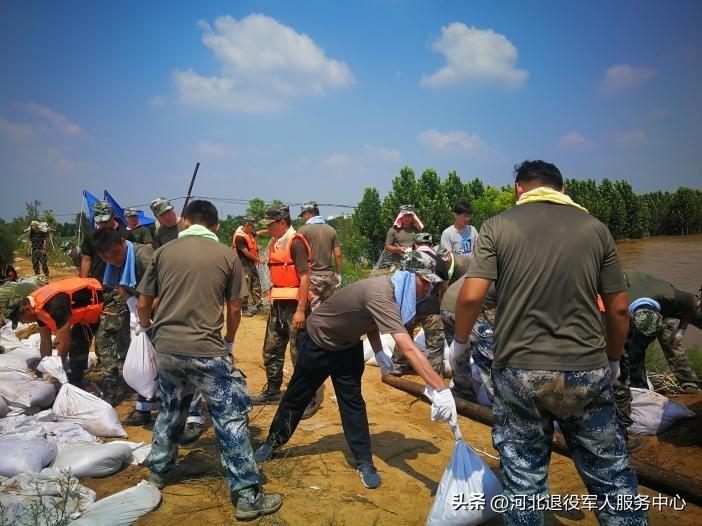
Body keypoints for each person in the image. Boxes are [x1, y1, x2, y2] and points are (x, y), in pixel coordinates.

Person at [453, 160, 646, 524]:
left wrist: (459, 344)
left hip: (519, 370)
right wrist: (613, 359)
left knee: (523, 481)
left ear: (518, 188)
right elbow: (619, 310)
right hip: (586, 369)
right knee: (612, 478)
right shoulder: (595, 228)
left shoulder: (496, 226)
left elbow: (470, 296)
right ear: (562, 188)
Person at [253, 250, 455, 491]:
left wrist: (378, 351)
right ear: (411, 276)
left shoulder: (395, 292)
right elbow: (408, 348)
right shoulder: (381, 293)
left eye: (432, 285)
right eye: (426, 282)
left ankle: (364, 460)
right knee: (297, 396)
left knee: (353, 404)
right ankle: (272, 442)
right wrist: (440, 388)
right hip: (319, 343)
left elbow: (370, 320)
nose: (429, 290)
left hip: (347, 347)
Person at [136, 199, 282, 520]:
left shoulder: (163, 253)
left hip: (167, 349)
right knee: (229, 416)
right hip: (207, 350)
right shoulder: (227, 256)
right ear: (215, 226)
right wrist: (228, 342)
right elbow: (234, 308)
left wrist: (149, 332)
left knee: (171, 409)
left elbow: (144, 303)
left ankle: (158, 472)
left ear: (186, 222)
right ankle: (247, 496)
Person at [250, 205, 318, 418]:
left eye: (271, 224)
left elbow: (305, 278)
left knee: (299, 354)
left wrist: (301, 310)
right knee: (271, 349)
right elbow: (262, 234)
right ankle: (272, 391)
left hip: (295, 305)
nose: (268, 228)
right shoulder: (276, 240)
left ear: (282, 222)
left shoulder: (295, 242)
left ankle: (308, 399)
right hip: (278, 304)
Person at [93, 227, 156, 426]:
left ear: (122, 242)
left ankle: (188, 414)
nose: (113, 260)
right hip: (143, 310)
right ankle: (144, 408)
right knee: (145, 360)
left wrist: (144, 314)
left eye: (115, 254)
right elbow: (120, 284)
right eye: (106, 258)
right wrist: (131, 304)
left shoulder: (144, 257)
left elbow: (169, 289)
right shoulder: (115, 262)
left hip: (164, 309)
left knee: (167, 361)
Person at [0, 278, 103, 386]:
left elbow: (65, 342)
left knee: (101, 345)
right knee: (77, 341)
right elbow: (45, 340)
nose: (23, 323)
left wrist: (55, 370)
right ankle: (77, 378)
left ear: (27, 310)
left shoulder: (54, 305)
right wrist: (46, 367)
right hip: (85, 312)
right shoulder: (36, 307)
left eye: (20, 320)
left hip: (104, 300)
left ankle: (108, 384)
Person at [80, 200, 134, 403]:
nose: (103, 224)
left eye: (106, 220)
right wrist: (84, 285)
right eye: (99, 221)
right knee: (109, 333)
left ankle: (111, 384)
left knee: (106, 334)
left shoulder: (124, 235)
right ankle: (122, 373)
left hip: (119, 289)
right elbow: (86, 259)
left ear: (113, 217)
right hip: (96, 290)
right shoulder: (91, 236)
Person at [623, 269, 701, 393]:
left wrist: (681, 329)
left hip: (663, 302)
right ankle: (640, 388)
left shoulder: (669, 296)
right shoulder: (621, 306)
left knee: (671, 341)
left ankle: (689, 384)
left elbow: (694, 303)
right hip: (638, 308)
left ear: (660, 316)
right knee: (634, 348)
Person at [391, 233, 446, 376]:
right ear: (431, 245)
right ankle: (435, 374)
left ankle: (399, 365)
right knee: (434, 344)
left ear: (415, 245)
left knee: (404, 336)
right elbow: (444, 287)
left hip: (409, 306)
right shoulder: (440, 261)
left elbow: (399, 282)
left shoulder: (408, 259)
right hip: (432, 309)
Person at [297, 201, 343, 309]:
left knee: (314, 309)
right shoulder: (331, 230)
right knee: (328, 309)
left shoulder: (302, 231)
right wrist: (338, 274)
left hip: (311, 277)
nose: (303, 218)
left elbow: (296, 254)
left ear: (307, 214)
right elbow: (338, 255)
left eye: (303, 216)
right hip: (328, 277)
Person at [232, 216, 266, 317]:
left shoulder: (248, 233)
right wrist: (259, 259)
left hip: (251, 264)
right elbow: (246, 253)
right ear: (247, 225)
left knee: (256, 284)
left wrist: (269, 230)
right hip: (243, 265)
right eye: (252, 226)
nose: (253, 228)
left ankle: (259, 307)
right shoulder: (240, 237)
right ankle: (244, 309)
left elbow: (259, 233)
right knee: (245, 286)